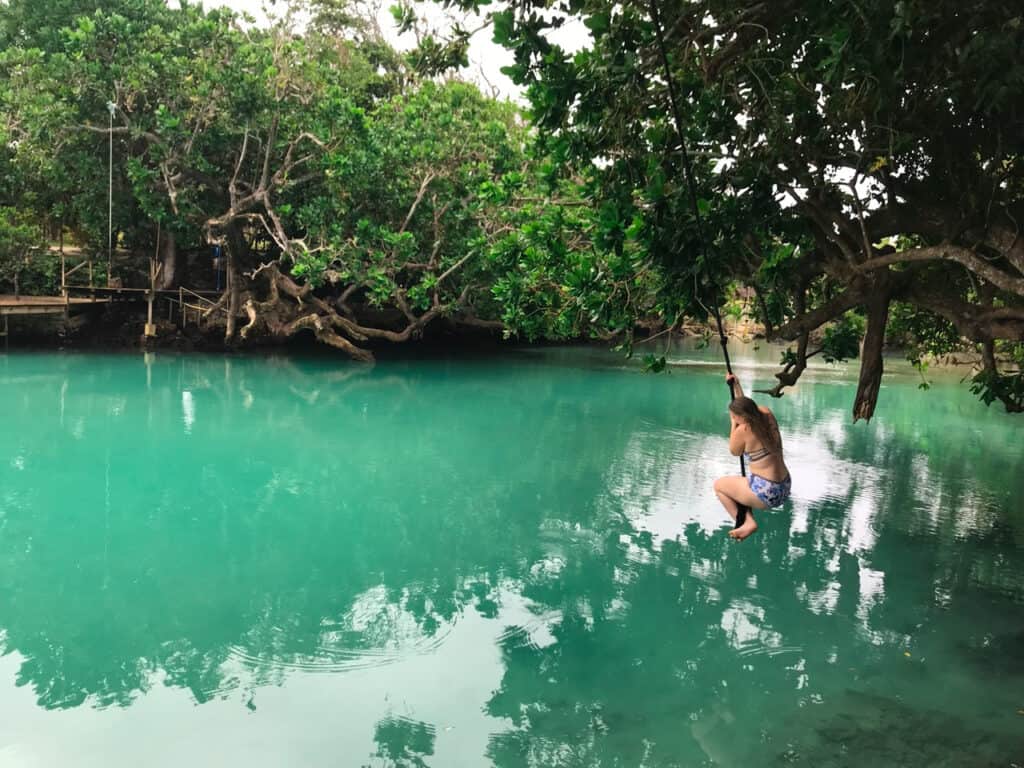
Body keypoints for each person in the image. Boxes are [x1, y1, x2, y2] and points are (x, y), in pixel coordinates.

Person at [713, 374, 791, 540]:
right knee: (740, 484)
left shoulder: (744, 430)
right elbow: (746, 407)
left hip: (766, 492)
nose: (734, 419)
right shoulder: (766, 413)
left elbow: (735, 451)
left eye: (735, 416)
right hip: (784, 487)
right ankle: (747, 508)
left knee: (719, 486)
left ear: (741, 419)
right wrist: (736, 386)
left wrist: (733, 423)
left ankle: (747, 522)